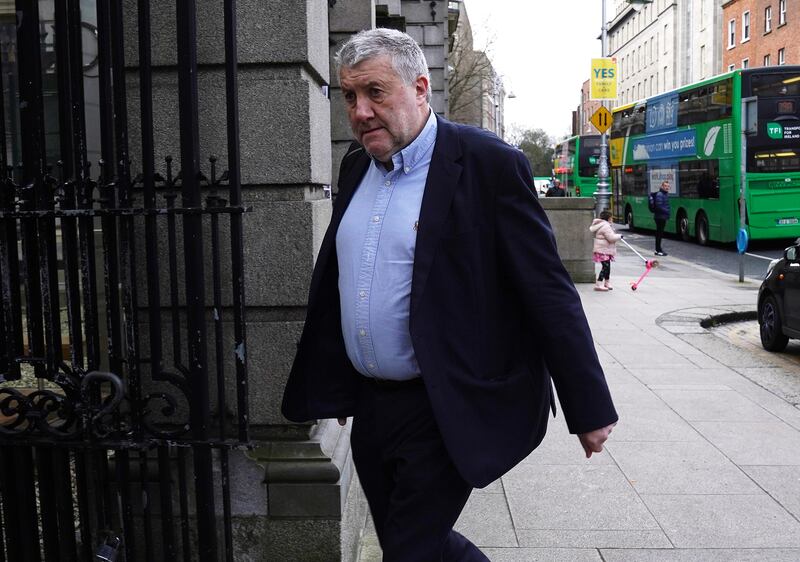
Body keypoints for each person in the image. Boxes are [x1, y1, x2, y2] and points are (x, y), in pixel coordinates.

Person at [282, 28, 617, 561]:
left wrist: (589, 406)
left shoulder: (488, 164)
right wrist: (334, 381)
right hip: (371, 405)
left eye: (375, 92)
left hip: (446, 402)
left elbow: (548, 291)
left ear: (420, 88)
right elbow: (341, 283)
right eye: (349, 96)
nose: (360, 111)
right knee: (416, 544)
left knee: (409, 551)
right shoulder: (355, 165)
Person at [590, 210, 622, 291]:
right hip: (603, 250)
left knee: (607, 266)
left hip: (604, 249)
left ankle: (607, 282)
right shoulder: (605, 226)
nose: (612, 219)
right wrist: (619, 236)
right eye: (611, 217)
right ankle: (598, 284)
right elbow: (611, 238)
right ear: (608, 218)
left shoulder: (604, 225)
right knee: (605, 267)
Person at [653, 180, 671, 256]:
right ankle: (658, 250)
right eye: (665, 186)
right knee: (659, 234)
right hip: (660, 217)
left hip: (662, 216)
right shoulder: (660, 194)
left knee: (659, 233)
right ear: (662, 186)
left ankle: (658, 249)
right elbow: (659, 206)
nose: (667, 187)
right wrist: (667, 211)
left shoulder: (664, 194)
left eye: (668, 186)